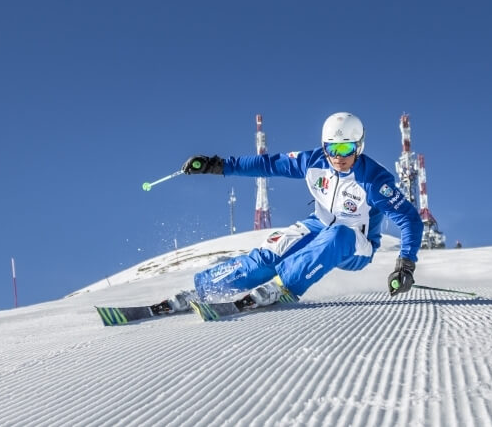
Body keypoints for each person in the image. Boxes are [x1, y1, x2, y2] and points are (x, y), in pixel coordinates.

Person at [174, 112, 424, 308]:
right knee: (270, 254)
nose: (338, 157)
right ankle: (205, 289)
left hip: (356, 243)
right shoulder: (313, 161)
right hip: (318, 224)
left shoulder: (374, 180)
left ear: (359, 146)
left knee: (338, 234)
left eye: (346, 148)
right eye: (331, 148)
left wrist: (405, 265)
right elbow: (268, 165)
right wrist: (218, 166)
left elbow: (410, 220)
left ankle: (283, 286)